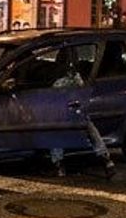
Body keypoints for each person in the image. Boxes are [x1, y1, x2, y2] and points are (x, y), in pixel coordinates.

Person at [48, 51, 115, 179]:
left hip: (63, 116)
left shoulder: (58, 82)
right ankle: (107, 161)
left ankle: (59, 165)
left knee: (54, 134)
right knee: (92, 133)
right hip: (78, 114)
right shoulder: (78, 78)